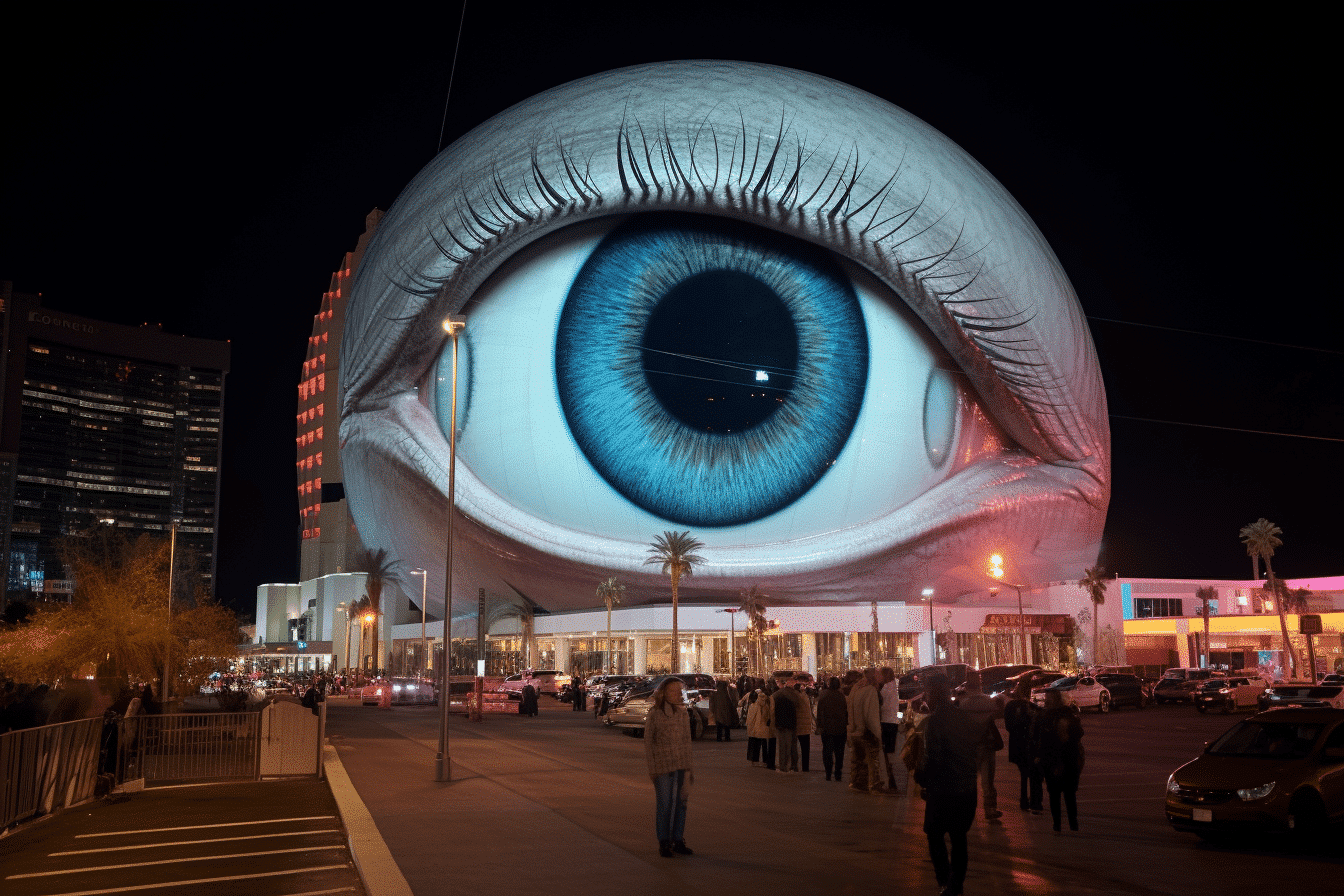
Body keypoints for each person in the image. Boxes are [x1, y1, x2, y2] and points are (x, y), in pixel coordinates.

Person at [915, 674, 981, 896]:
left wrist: (920, 776)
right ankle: (956, 885)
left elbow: (933, 757)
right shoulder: (964, 717)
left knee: (934, 835)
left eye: (926, 693)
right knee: (959, 838)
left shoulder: (935, 721)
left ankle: (945, 882)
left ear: (932, 694)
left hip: (944, 790)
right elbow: (976, 750)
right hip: (967, 788)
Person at [644, 677, 694, 858]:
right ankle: (664, 841)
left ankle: (678, 839)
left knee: (681, 804)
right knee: (665, 804)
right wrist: (652, 769)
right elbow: (648, 743)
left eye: (680, 691)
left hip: (682, 764)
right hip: (662, 766)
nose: (677, 694)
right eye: (673, 690)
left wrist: (689, 769)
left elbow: (687, 742)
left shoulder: (683, 713)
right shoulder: (655, 713)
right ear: (663, 693)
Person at [1033, 689, 1084, 832]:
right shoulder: (1068, 714)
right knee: (1069, 794)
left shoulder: (1045, 716)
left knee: (1055, 794)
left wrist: (1039, 756)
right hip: (1069, 758)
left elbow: (1040, 739)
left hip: (1053, 760)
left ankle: (1057, 825)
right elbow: (1079, 733)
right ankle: (1073, 824)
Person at [956, 670, 1003, 821]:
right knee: (988, 781)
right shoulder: (988, 701)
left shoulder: (961, 702)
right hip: (986, 744)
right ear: (980, 684)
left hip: (968, 746)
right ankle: (990, 810)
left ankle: (967, 809)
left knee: (968, 780)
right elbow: (998, 711)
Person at [1003, 680, 1043, 812]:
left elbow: (1008, 726)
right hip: (1031, 744)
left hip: (1017, 744)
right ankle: (1034, 801)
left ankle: (1024, 800)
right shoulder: (1032, 707)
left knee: (1024, 773)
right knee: (1033, 773)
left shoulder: (1010, 707)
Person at [846, 668, 886, 793]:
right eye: (879, 674)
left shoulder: (856, 688)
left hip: (855, 729)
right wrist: (877, 733)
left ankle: (857, 782)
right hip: (866, 730)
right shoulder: (870, 690)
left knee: (858, 758)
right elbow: (871, 715)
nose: (881, 677)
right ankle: (874, 783)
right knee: (873, 759)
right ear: (874, 677)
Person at [815, 676, 848, 781]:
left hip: (827, 728)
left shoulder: (824, 695)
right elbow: (846, 712)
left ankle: (828, 773)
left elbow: (820, 712)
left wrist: (819, 725)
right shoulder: (842, 696)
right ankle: (838, 773)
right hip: (840, 728)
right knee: (839, 753)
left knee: (827, 751)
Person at [781, 675, 813, 771]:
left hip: (797, 724)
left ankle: (794, 765)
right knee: (805, 748)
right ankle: (805, 767)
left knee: (793, 747)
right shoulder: (805, 697)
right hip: (806, 726)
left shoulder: (795, 697)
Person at [878, 667, 902, 791]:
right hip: (893, 721)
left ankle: (889, 777)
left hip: (886, 721)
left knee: (886, 750)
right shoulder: (896, 685)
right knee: (890, 749)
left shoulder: (887, 688)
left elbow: (882, 705)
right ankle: (891, 777)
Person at [771, 676, 800, 774]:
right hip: (791, 723)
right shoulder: (795, 695)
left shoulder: (777, 695)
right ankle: (793, 765)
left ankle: (782, 765)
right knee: (792, 745)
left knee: (782, 746)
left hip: (780, 723)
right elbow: (799, 705)